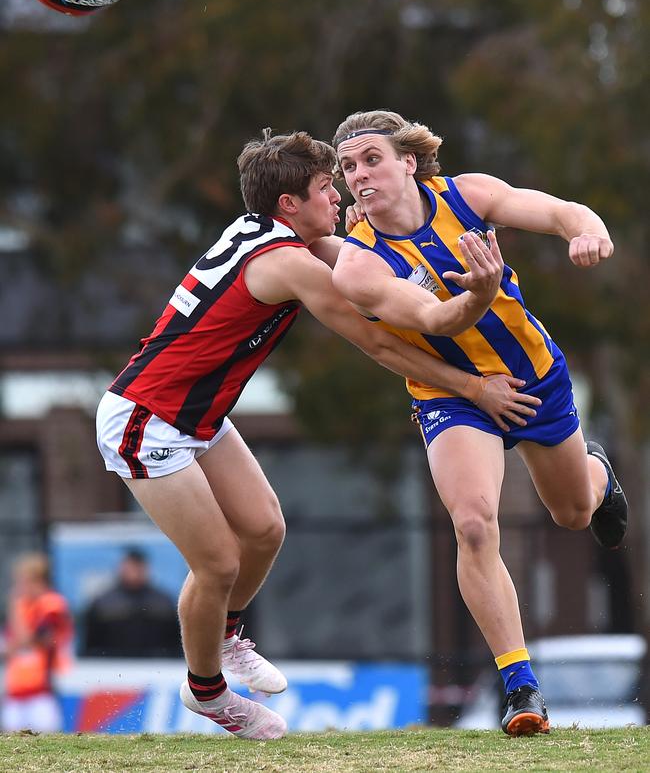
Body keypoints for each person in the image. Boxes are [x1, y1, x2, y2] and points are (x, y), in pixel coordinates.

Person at [95, 129, 542, 741]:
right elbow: (380, 340)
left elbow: (341, 249)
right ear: (288, 206)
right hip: (146, 421)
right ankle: (208, 692)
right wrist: (471, 386)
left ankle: (225, 638)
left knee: (265, 529)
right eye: (326, 187)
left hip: (195, 414)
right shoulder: (285, 264)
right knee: (219, 562)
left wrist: (376, 250)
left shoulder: (269, 231)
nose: (339, 196)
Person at [331, 110, 628, 737]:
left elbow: (557, 211)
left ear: (408, 160)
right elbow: (436, 322)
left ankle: (599, 475)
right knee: (472, 524)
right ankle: (521, 689)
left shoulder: (469, 194)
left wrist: (588, 229)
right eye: (349, 165)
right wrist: (481, 297)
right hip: (452, 397)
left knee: (573, 514)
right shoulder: (357, 265)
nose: (359, 175)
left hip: (534, 378)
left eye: (372, 159)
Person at [1, 553, 73, 733]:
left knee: (45, 742)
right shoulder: (24, 606)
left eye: (22, 581)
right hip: (16, 691)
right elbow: (9, 648)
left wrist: (14, 606)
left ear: (37, 581)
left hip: (42, 691)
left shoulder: (52, 605)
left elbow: (29, 639)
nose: (18, 588)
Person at [81, 548, 182, 658]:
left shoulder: (163, 602)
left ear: (146, 569)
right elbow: (90, 647)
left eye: (138, 567)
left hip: (157, 666)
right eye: (130, 567)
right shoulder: (103, 603)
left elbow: (175, 644)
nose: (134, 572)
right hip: (112, 667)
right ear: (121, 568)